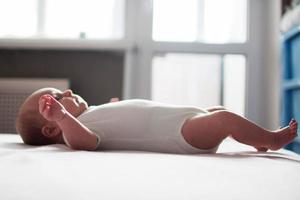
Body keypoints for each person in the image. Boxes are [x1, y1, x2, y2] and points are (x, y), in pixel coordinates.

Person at [15, 87, 298, 154]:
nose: (67, 92)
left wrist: (117, 108)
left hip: (182, 117)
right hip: (179, 133)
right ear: (51, 125)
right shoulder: (72, 131)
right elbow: (84, 143)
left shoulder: (89, 115)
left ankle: (256, 141)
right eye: (56, 98)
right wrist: (63, 117)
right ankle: (271, 140)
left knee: (218, 111)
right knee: (223, 120)